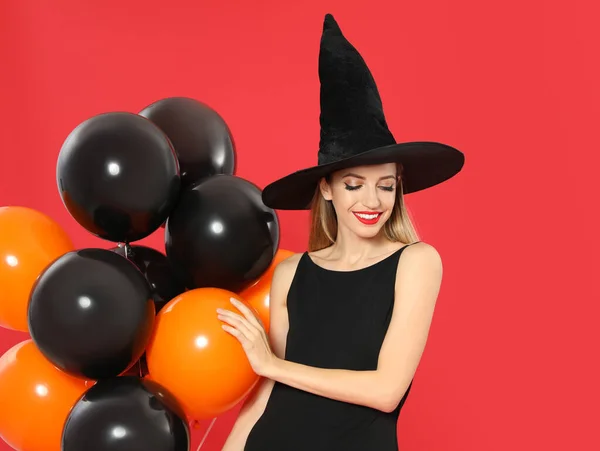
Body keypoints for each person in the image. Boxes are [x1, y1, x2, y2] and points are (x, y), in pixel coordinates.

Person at [218, 13, 465, 451]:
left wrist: (271, 364)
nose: (371, 201)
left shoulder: (417, 261)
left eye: (385, 185)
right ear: (327, 189)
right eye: (353, 185)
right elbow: (263, 397)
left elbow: (386, 392)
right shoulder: (291, 273)